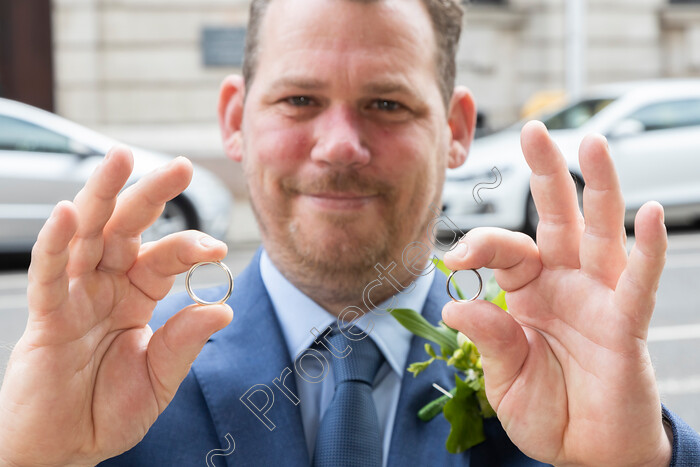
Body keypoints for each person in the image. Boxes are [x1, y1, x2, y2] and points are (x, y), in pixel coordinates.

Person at [0, 0, 698, 465]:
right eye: (300, 99)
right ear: (234, 119)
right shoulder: (108, 388)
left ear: (456, 131)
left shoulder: (561, 389)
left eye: (386, 103)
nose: (339, 145)